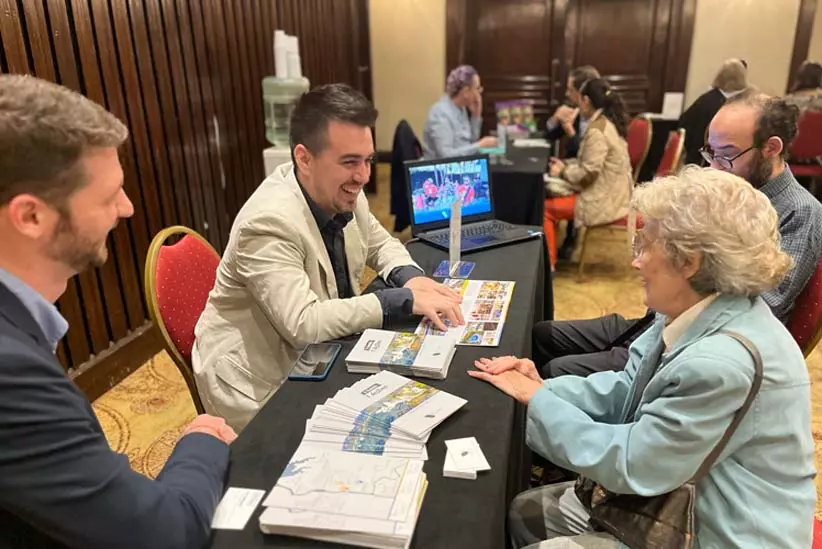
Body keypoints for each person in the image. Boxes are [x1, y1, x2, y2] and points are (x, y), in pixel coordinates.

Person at [470, 167, 816, 549]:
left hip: (727, 532)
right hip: (682, 493)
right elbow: (627, 388)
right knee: (526, 511)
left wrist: (539, 401)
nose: (636, 261)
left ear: (689, 262)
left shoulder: (719, 363)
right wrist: (544, 387)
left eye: (646, 245)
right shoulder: (697, 308)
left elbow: (634, 465)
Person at [0, 75, 236, 549]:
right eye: (109, 196)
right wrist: (202, 441)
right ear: (31, 216)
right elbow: (162, 534)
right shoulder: (12, 372)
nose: (126, 209)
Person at [194, 84, 465, 431]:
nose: (364, 176)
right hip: (258, 381)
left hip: (319, 350)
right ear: (304, 159)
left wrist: (412, 278)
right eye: (350, 162)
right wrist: (400, 300)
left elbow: (379, 243)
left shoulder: (343, 187)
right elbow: (304, 325)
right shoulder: (266, 223)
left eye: (368, 160)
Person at [533, 92, 822, 379]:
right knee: (542, 335)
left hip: (694, 345)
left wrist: (674, 276)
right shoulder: (723, 186)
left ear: (771, 148)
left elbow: (760, 309)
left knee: (556, 371)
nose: (714, 167)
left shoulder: (801, 212)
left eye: (726, 155)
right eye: (710, 153)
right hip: (660, 323)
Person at [542, 78, 633, 269]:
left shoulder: (597, 131)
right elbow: (589, 164)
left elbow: (588, 174)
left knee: (545, 209)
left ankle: (548, 267)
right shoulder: (605, 123)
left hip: (603, 199)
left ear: (586, 101)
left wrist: (563, 171)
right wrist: (565, 166)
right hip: (611, 193)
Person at [545, 65, 601, 260]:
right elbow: (549, 135)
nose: (567, 94)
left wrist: (570, 131)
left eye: (570, 89)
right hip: (572, 170)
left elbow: (590, 159)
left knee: (548, 191)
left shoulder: (601, 121)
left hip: (589, 181)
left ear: (582, 93)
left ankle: (569, 237)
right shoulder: (575, 112)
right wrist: (555, 119)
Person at [678, 58, 748, 165]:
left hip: (698, 161)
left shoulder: (705, 100)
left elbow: (684, 123)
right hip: (732, 163)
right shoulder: (746, 105)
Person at [422, 65, 498, 159]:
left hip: (462, 163)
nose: (479, 93)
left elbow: (470, 142)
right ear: (466, 92)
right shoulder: (440, 114)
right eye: (477, 89)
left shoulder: (461, 108)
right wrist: (480, 145)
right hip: (441, 166)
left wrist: (476, 116)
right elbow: (446, 156)